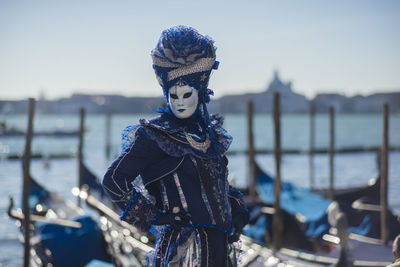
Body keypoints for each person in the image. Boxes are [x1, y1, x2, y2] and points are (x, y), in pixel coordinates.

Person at [103, 25, 249, 267]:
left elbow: (219, 184)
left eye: (187, 95)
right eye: (174, 96)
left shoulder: (208, 135)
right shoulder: (154, 136)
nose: (180, 103)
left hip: (221, 250)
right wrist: (156, 217)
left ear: (200, 93)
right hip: (184, 253)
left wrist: (236, 211)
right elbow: (114, 180)